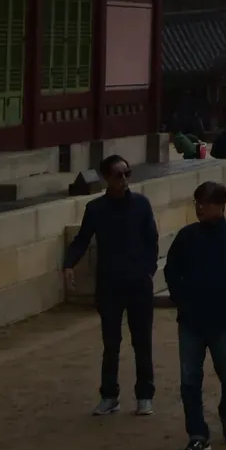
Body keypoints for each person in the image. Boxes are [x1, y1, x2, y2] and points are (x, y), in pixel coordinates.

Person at [162, 180, 226, 450]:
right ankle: (197, 435)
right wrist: (180, 297)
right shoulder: (187, 236)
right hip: (191, 320)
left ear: (221, 205)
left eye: (206, 203)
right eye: (198, 202)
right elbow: (171, 269)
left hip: (224, 321)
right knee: (189, 380)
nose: (200, 208)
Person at [63, 154, 159, 416]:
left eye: (128, 173)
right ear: (107, 178)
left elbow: (151, 239)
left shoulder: (141, 204)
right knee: (111, 343)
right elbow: (82, 240)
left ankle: (144, 395)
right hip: (109, 284)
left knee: (142, 341)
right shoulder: (96, 209)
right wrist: (69, 264)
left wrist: (148, 271)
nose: (125, 179)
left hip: (138, 283)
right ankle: (109, 395)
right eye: (119, 175)